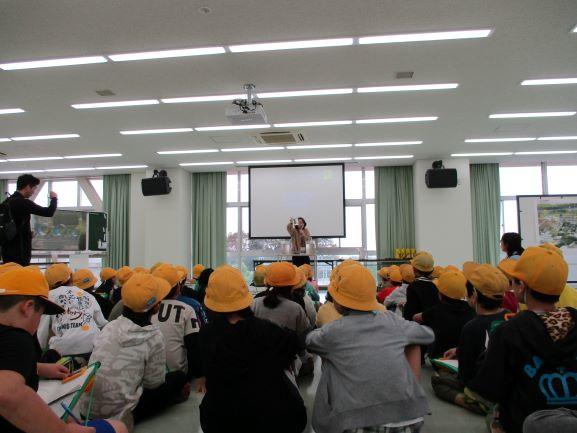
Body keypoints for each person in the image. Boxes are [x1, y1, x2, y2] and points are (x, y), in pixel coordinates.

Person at [306, 263, 435, 433]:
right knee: (412, 342)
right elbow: (427, 335)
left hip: (359, 423)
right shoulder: (392, 320)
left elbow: (310, 341)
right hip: (409, 418)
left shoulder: (334, 331)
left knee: (331, 362)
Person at [0, 266, 126, 433]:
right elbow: (7, 393)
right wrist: (63, 429)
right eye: (41, 314)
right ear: (28, 307)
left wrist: (39, 367)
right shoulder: (17, 337)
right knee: (119, 427)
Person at [468, 247, 577, 433]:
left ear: (522, 287)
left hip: (523, 423)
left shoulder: (509, 331)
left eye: (513, 280)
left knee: (492, 417)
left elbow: (489, 388)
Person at [199, 265, 307, 433]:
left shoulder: (206, 334)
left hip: (220, 420)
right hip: (271, 418)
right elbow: (296, 345)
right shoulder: (269, 331)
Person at [81, 273, 188, 429]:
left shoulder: (110, 326)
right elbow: (154, 383)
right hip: (118, 415)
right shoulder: (153, 336)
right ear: (156, 307)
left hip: (86, 409)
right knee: (178, 377)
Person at [431, 264, 512, 414]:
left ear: (474, 295)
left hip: (485, 389)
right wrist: (459, 350)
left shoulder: (472, 327)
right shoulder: (511, 317)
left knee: (437, 379)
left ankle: (474, 403)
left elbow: (465, 376)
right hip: (509, 386)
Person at [37, 264, 107, 362]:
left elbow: (41, 332)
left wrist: (39, 354)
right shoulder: (87, 295)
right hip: (92, 347)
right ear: (71, 277)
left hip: (62, 351)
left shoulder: (48, 297)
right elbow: (102, 323)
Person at [151, 265, 202, 385]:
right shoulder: (187, 310)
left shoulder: (147, 309)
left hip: (148, 378)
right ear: (178, 287)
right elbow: (194, 346)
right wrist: (200, 375)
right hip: (178, 378)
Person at [414, 270, 475, 359]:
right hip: (462, 356)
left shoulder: (436, 311)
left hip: (440, 358)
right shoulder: (471, 309)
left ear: (440, 294)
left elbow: (416, 318)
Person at [1, 174, 58, 266]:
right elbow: (48, 212)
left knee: (9, 272)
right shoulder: (23, 202)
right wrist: (54, 198)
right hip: (20, 251)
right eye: (34, 188)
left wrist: (27, 232)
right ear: (28, 187)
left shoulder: (6, 202)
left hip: (6, 248)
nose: (33, 192)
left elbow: (12, 224)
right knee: (22, 274)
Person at [252, 262, 310, 337]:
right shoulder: (296, 308)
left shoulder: (255, 303)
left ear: (267, 282)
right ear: (293, 285)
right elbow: (305, 332)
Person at [403, 251, 439, 321]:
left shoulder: (413, 287)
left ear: (414, 269)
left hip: (417, 325)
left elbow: (409, 313)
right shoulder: (434, 286)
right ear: (431, 270)